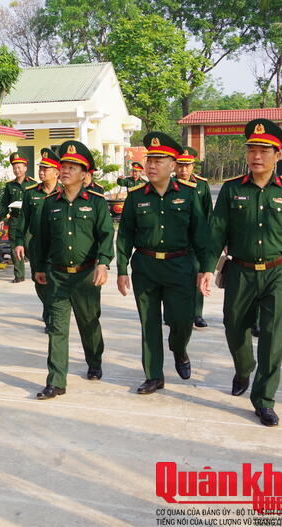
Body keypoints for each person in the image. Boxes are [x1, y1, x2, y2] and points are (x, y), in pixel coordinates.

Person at [204, 119, 282, 427]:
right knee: (233, 326)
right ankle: (244, 368)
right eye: (252, 150)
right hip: (240, 272)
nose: (257, 156)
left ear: (277, 155)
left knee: (272, 336)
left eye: (264, 151)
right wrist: (205, 268)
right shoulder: (231, 190)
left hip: (277, 273)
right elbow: (216, 232)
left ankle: (264, 399)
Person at [115, 132, 213, 395]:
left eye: (159, 160)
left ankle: (179, 349)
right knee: (149, 323)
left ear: (173, 165)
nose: (152, 165)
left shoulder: (190, 195)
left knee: (181, 322)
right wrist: (122, 269)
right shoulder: (136, 197)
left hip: (180, 266)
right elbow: (124, 234)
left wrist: (206, 268)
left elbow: (202, 235)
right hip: (145, 267)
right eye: (150, 159)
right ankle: (154, 375)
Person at [31, 141, 114, 400]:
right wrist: (38, 268)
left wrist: (103, 263)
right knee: (57, 327)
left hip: (85, 276)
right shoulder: (49, 203)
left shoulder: (97, 203)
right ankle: (56, 381)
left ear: (84, 173)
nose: (65, 171)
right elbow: (40, 239)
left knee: (89, 323)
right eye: (63, 166)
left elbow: (106, 235)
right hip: (56, 275)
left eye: (71, 167)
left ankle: (95, 360)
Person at [11, 148, 62, 334]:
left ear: (57, 172)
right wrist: (18, 241)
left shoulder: (63, 192)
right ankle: (49, 308)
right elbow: (22, 220)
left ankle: (52, 317)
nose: (41, 172)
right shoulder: (31, 193)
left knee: (55, 281)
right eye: (40, 168)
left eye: (45, 169)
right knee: (39, 280)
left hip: (57, 245)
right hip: (37, 244)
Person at [174, 147, 213, 328]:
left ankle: (197, 314)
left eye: (187, 166)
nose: (183, 170)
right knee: (176, 278)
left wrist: (208, 240)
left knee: (199, 276)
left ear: (193, 166)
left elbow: (207, 214)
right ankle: (174, 312)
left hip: (196, 241)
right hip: (176, 240)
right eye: (180, 165)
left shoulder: (202, 185)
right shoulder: (168, 183)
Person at [0, 152, 35, 283]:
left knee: (30, 245)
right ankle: (19, 275)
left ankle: (38, 270)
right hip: (14, 219)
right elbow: (4, 203)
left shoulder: (33, 184)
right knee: (15, 248)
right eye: (14, 168)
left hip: (29, 221)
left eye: (19, 167)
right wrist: (2, 218)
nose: (17, 170)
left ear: (25, 168)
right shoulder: (10, 185)